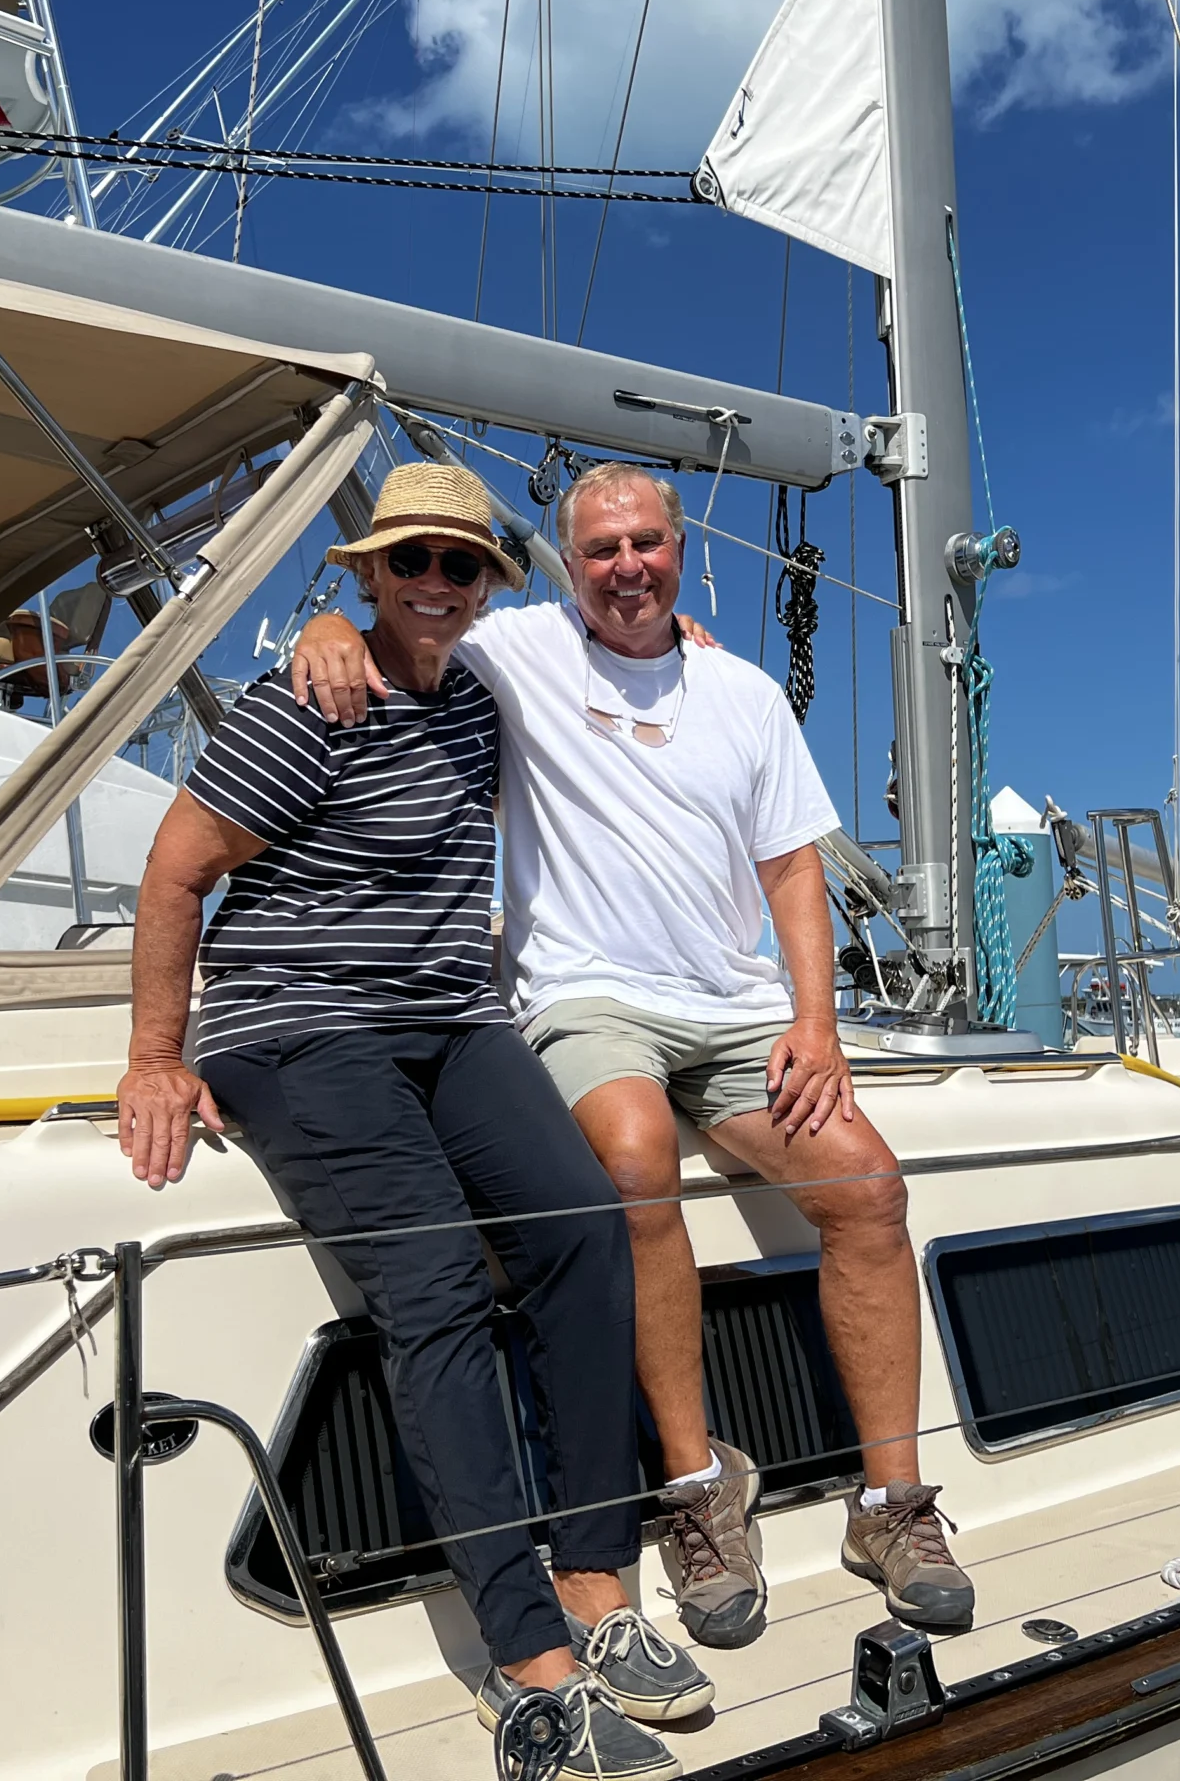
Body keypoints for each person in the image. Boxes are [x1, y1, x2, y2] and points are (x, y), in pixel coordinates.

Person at [291, 463, 973, 1651]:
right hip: (587, 995)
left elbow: (791, 872)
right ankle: (698, 1490)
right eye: (599, 548)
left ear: (678, 552)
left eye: (645, 544)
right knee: (631, 1154)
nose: (624, 567)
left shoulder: (746, 693)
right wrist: (321, 625)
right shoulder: (519, 653)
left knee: (867, 1189)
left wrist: (814, 1023)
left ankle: (890, 1506)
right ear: (568, 559)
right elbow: (410, 616)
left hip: (737, 1010)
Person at [118, 462, 704, 1778]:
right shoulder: (307, 700)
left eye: (458, 565)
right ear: (370, 575)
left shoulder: (484, 703)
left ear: (486, 584)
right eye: (409, 564)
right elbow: (176, 872)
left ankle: (599, 1581)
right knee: (436, 1282)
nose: (433, 584)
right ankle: (529, 1667)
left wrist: (688, 641)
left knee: (579, 1230)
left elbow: (612, 641)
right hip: (296, 1027)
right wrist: (156, 1058)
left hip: (451, 1020)